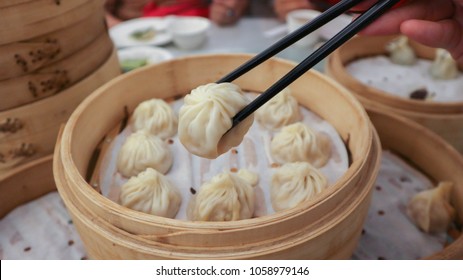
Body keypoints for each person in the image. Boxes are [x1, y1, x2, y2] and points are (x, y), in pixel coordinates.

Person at [105, 0, 250, 28]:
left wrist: (228, 8)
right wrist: (123, 31)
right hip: (134, 43)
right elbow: (98, 12)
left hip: (199, 34)